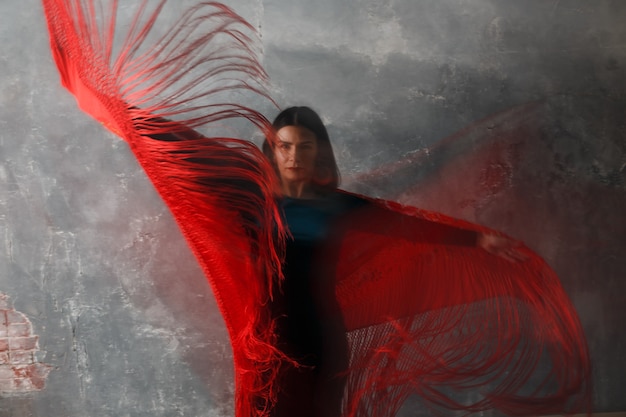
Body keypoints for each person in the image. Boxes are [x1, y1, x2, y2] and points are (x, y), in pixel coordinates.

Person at [260, 106, 527, 417]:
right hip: (266, 340)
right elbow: (201, 171)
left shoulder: (336, 205)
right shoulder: (253, 201)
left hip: (321, 334)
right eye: (285, 146)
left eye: (304, 146)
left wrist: (478, 240)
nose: (294, 156)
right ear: (273, 151)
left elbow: (405, 226)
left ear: (318, 151)